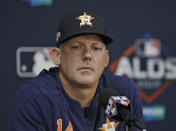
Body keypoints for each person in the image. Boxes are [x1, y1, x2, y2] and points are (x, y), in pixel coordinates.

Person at [11, 11, 145, 131]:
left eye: (96, 48)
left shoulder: (124, 93)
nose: (87, 55)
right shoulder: (36, 98)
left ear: (105, 58)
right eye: (76, 47)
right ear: (57, 56)